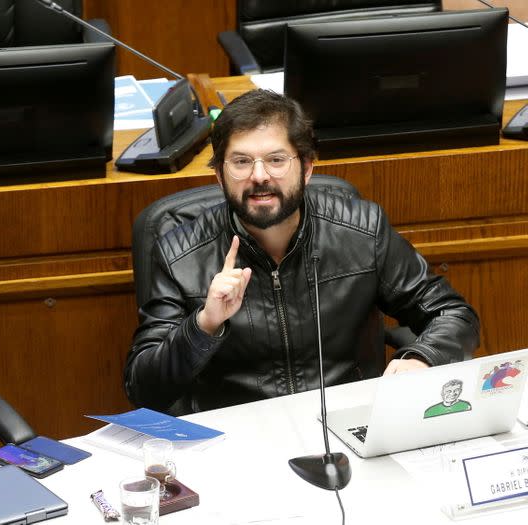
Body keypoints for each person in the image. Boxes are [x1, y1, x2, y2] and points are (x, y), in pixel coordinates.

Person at [125, 89, 480, 413]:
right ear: (219, 175)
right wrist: (204, 324)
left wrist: (422, 357)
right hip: (240, 440)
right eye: (241, 162)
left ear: (306, 168)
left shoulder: (361, 231)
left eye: (276, 160)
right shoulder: (179, 254)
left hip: (348, 425)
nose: (260, 176)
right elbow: (143, 388)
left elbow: (453, 314)